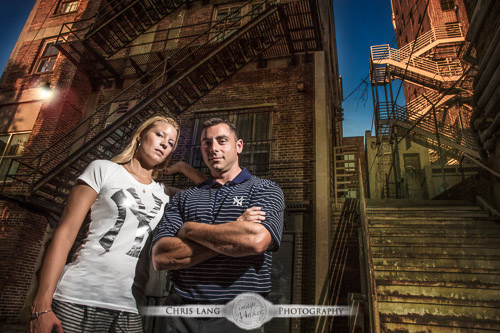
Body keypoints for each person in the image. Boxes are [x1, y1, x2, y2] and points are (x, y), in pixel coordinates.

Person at [30, 115, 205, 333]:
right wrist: (42, 307)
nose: (164, 144)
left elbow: (214, 194)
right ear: (140, 136)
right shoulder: (103, 170)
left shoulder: (166, 194)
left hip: (129, 306)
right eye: (159, 135)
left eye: (171, 143)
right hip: (77, 296)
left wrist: (183, 168)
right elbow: (65, 234)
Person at [152, 118, 285, 332]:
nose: (213, 148)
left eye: (222, 141)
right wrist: (235, 229)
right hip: (179, 314)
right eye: (207, 143)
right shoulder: (184, 198)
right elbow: (162, 256)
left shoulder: (265, 189)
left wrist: (189, 229)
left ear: (238, 146)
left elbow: (255, 241)